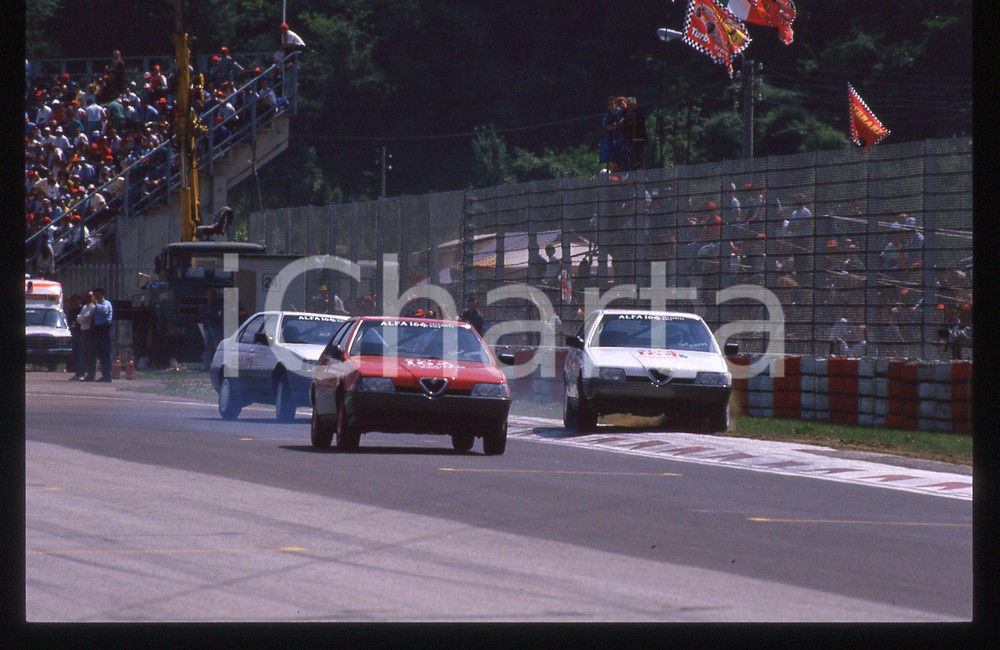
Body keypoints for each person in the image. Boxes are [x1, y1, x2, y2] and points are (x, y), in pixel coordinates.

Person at [91, 287, 113, 382]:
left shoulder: (106, 303)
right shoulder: (96, 305)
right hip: (97, 328)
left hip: (105, 328)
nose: (97, 296)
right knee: (100, 352)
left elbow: (104, 311)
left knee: (106, 352)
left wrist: (96, 305)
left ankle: (108, 375)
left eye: (99, 295)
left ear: (103, 295)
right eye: (96, 295)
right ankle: (104, 374)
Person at [197, 289, 223, 371]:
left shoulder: (217, 305)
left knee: (217, 346)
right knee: (207, 347)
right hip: (207, 327)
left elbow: (218, 315)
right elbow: (202, 314)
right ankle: (206, 365)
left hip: (214, 327)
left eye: (210, 295)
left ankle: (218, 365)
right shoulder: (206, 305)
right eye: (208, 295)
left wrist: (211, 317)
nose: (209, 296)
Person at [76, 291, 95, 381]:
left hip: (89, 331)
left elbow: (85, 318)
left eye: (89, 297)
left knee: (89, 354)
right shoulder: (84, 307)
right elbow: (79, 318)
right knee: (83, 354)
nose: (88, 299)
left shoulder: (93, 307)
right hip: (83, 331)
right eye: (86, 297)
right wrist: (81, 318)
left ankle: (90, 374)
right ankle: (83, 373)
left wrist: (81, 318)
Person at [66, 294, 83, 379]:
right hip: (74, 333)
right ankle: (77, 373)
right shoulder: (71, 311)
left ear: (80, 301)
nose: (75, 302)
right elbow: (68, 321)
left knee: (81, 354)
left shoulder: (82, 309)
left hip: (82, 334)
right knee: (75, 354)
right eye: (74, 301)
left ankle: (82, 373)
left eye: (77, 300)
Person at [599, 96, 618, 172]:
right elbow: (607, 127)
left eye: (612, 104)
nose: (611, 106)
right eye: (609, 104)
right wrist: (616, 126)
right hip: (611, 140)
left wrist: (616, 126)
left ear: (615, 104)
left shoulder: (620, 113)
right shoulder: (606, 117)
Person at [627, 97, 646, 170]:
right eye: (629, 105)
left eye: (632, 105)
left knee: (639, 159)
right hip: (629, 141)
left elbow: (641, 127)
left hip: (639, 140)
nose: (631, 107)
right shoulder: (627, 113)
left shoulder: (638, 113)